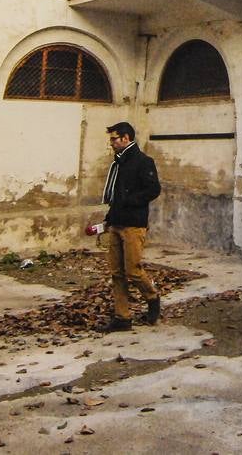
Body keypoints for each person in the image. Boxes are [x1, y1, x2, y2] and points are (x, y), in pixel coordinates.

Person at [92, 121, 162, 331]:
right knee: (116, 272)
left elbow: (153, 189)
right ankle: (122, 317)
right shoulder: (118, 162)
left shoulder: (143, 161)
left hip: (133, 224)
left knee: (133, 270)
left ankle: (152, 296)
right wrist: (109, 219)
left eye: (114, 139)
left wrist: (129, 200)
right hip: (116, 222)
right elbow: (114, 194)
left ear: (125, 138)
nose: (111, 143)